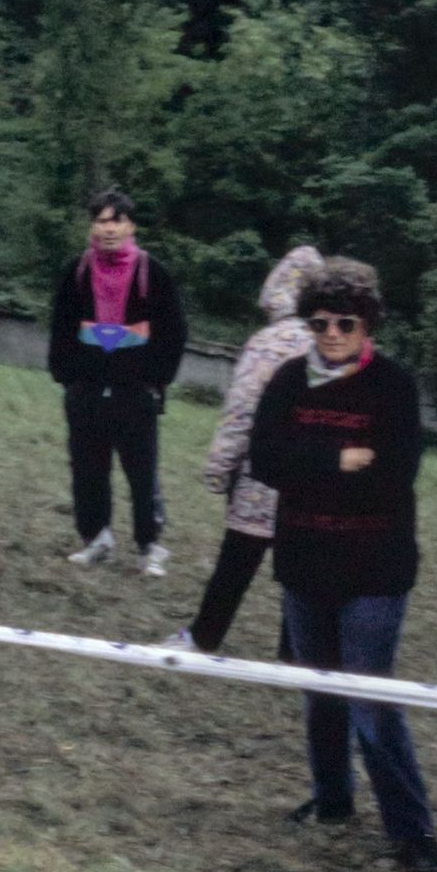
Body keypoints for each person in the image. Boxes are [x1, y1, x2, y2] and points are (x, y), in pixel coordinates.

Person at [249, 259, 437, 872]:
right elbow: (265, 462)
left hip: (375, 566)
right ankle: (333, 798)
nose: (331, 333)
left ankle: (412, 831)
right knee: (319, 688)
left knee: (371, 693)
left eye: (344, 322)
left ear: (367, 324)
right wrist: (339, 459)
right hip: (304, 559)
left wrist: (315, 467)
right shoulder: (287, 380)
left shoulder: (393, 385)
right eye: (319, 322)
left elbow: (394, 475)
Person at [168, 246, 322, 653]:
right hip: (313, 481)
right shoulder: (334, 344)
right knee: (302, 570)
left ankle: (205, 636)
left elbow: (241, 412)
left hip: (260, 476)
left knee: (235, 562)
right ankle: (297, 653)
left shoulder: (266, 344)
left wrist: (220, 467)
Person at [48, 188, 187, 576]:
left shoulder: (152, 272)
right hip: (87, 390)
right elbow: (61, 325)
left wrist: (156, 380)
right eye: (101, 221)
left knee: (142, 471)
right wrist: (67, 377)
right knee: (88, 468)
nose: (109, 229)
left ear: (131, 226)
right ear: (92, 226)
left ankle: (149, 545)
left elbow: (174, 331)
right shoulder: (77, 271)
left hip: (135, 392)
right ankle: (96, 539)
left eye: (117, 221)